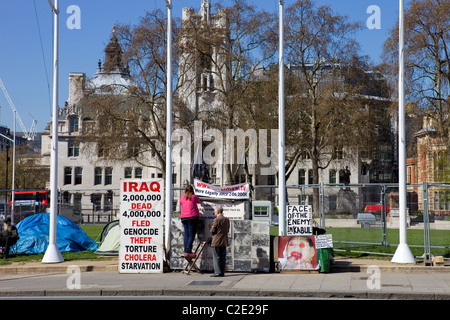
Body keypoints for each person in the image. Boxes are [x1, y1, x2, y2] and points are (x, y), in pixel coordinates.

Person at [179, 185, 201, 257]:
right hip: (192, 217)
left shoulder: (182, 197)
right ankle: (188, 250)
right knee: (192, 234)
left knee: (186, 234)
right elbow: (199, 201)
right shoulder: (194, 197)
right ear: (192, 190)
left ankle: (186, 250)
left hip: (184, 217)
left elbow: (180, 203)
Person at [210, 205, 230, 277]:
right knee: (222, 257)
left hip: (216, 240)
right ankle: (222, 272)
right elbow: (227, 229)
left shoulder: (216, 219)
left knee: (216, 257)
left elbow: (213, 230)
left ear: (217, 211)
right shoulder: (226, 219)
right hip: (224, 240)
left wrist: (212, 232)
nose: (214, 212)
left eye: (214, 211)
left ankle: (217, 272)